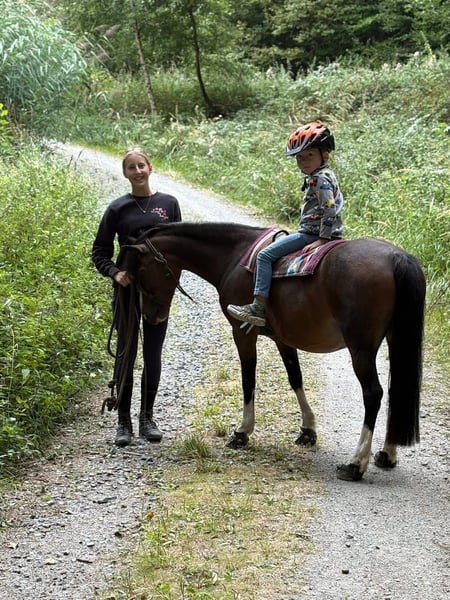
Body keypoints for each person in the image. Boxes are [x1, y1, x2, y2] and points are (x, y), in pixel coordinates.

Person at [92, 147, 182, 447]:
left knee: (153, 353)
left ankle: (147, 417)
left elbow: (178, 248)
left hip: (157, 292)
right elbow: (100, 252)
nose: (138, 171)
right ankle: (124, 422)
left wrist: (169, 285)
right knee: (126, 353)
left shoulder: (169, 204)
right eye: (131, 167)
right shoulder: (117, 209)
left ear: (150, 168)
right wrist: (115, 273)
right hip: (128, 291)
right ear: (125, 173)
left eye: (141, 165)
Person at [227, 121, 344, 327]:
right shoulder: (326, 174)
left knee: (264, 256)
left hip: (311, 234)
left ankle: (258, 307)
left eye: (309, 155)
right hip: (323, 232)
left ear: (324, 155)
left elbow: (329, 209)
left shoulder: (318, 179)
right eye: (299, 157)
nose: (304, 162)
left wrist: (322, 240)